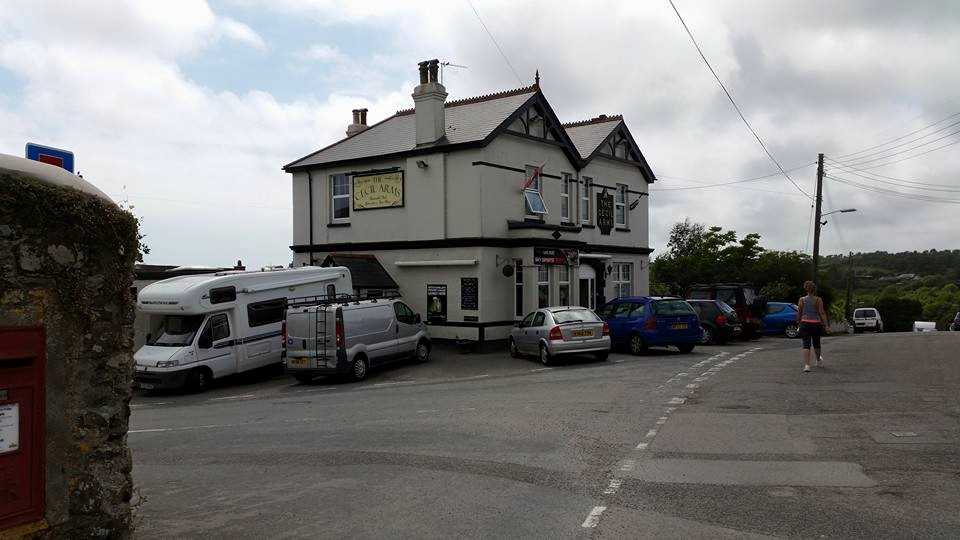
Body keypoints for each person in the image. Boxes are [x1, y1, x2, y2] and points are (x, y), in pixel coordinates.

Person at [797, 280, 828, 373]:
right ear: (814, 290)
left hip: (805, 323)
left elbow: (799, 312)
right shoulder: (818, 300)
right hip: (815, 324)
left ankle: (807, 366)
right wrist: (826, 325)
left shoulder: (801, 300)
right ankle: (818, 361)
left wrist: (798, 322)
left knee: (806, 344)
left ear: (806, 289)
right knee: (816, 343)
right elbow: (822, 313)